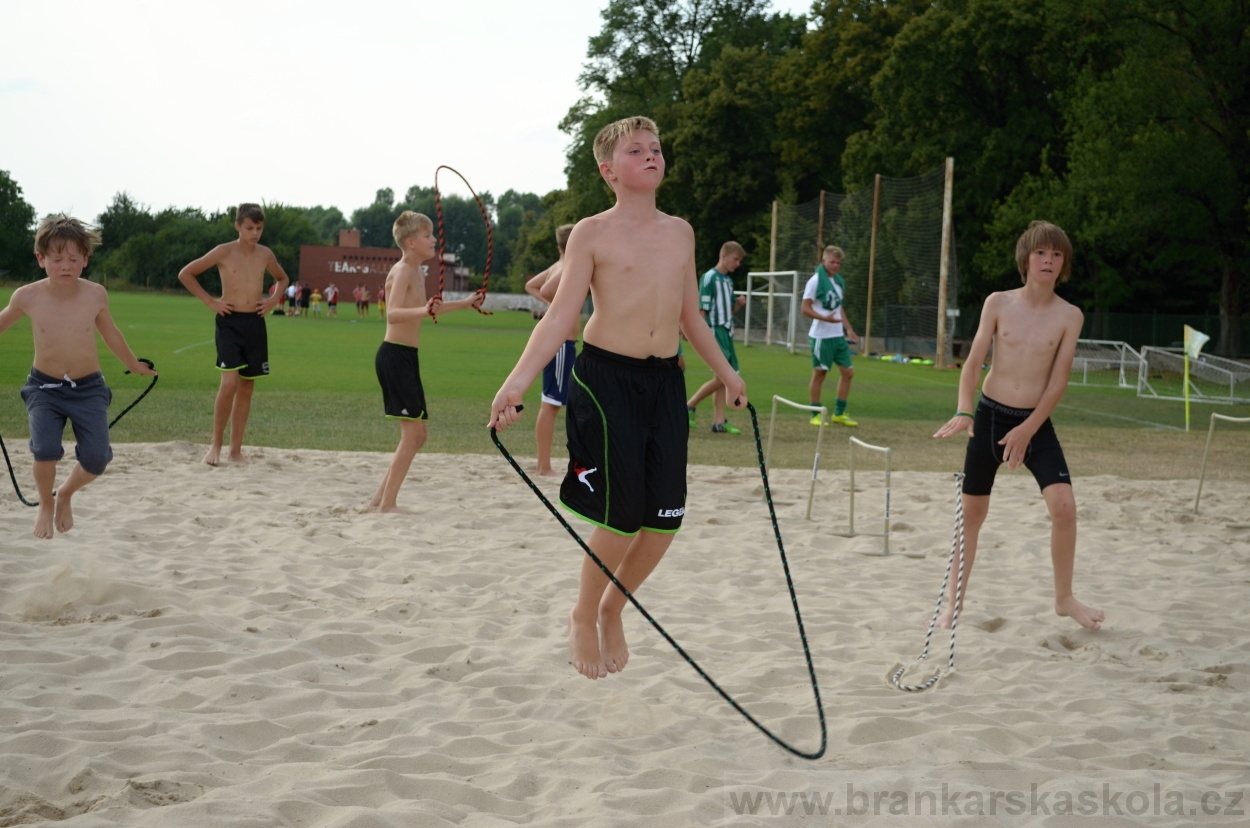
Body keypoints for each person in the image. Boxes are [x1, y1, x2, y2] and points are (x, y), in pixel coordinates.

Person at [489, 115, 746, 680]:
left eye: (656, 148)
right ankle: (583, 613)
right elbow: (559, 317)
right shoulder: (592, 232)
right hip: (605, 381)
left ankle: (613, 607)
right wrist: (515, 383)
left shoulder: (681, 232)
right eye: (636, 150)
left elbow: (691, 317)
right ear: (609, 171)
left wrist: (728, 373)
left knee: (665, 518)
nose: (651, 155)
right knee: (621, 515)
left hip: (665, 382)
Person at [932, 220, 1103, 631]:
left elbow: (1059, 380)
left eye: (1057, 254)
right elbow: (972, 363)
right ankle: (952, 606)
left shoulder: (1069, 315)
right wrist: (963, 410)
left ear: (1064, 264)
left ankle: (1065, 599)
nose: (1049, 260)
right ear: (1026, 258)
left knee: (1064, 508)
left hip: (1036, 423)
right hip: (990, 417)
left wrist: (1028, 429)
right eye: (1041, 252)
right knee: (972, 514)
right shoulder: (998, 302)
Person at [0, 214, 158, 539]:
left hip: (88, 388)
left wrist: (135, 364)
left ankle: (65, 493)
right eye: (57, 259)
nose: (65, 266)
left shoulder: (95, 294)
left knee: (98, 458)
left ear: (86, 259)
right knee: (44, 450)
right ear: (41, 259)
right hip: (44, 387)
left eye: (73, 258)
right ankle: (45, 503)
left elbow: (111, 333)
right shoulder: (26, 296)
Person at [369, 211, 484, 513]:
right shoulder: (404, 269)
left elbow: (427, 308)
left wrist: (465, 303)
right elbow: (393, 314)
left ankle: (379, 500)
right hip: (394, 355)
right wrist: (424, 311)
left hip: (405, 357)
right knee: (414, 435)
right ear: (410, 242)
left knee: (418, 436)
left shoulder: (416, 270)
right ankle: (387, 504)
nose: (434, 240)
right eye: (427, 235)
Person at [178, 203, 289, 466]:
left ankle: (235, 450)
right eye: (249, 228)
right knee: (229, 384)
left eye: (259, 228)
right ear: (238, 226)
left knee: (247, 387)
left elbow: (283, 279)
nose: (255, 233)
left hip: (255, 322)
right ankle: (215, 445)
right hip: (229, 322)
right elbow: (186, 274)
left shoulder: (265, 254)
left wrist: (273, 301)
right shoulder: (223, 251)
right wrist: (211, 302)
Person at [523, 223, 579, 476]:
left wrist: (554, 304)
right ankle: (543, 466)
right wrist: (559, 304)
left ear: (558, 246)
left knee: (558, 403)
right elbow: (543, 289)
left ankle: (546, 463)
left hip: (564, 343)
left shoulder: (558, 265)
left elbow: (531, 286)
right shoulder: (569, 265)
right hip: (560, 344)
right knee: (551, 404)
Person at [684, 241, 747, 434]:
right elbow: (702, 310)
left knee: (723, 377)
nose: (737, 264)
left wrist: (738, 305)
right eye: (736, 259)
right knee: (725, 376)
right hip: (715, 331)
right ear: (724, 255)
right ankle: (690, 405)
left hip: (726, 332)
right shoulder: (710, 278)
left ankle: (719, 421)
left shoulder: (728, 281)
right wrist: (695, 333)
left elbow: (727, 310)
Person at [802, 245, 859, 426]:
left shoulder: (838, 283)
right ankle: (815, 413)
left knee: (848, 373)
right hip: (821, 336)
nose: (835, 266)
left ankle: (839, 413)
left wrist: (848, 329)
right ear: (824, 261)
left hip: (837, 336)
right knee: (820, 374)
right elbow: (805, 308)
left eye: (838, 263)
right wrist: (823, 318)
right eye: (832, 262)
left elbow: (838, 308)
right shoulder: (815, 281)